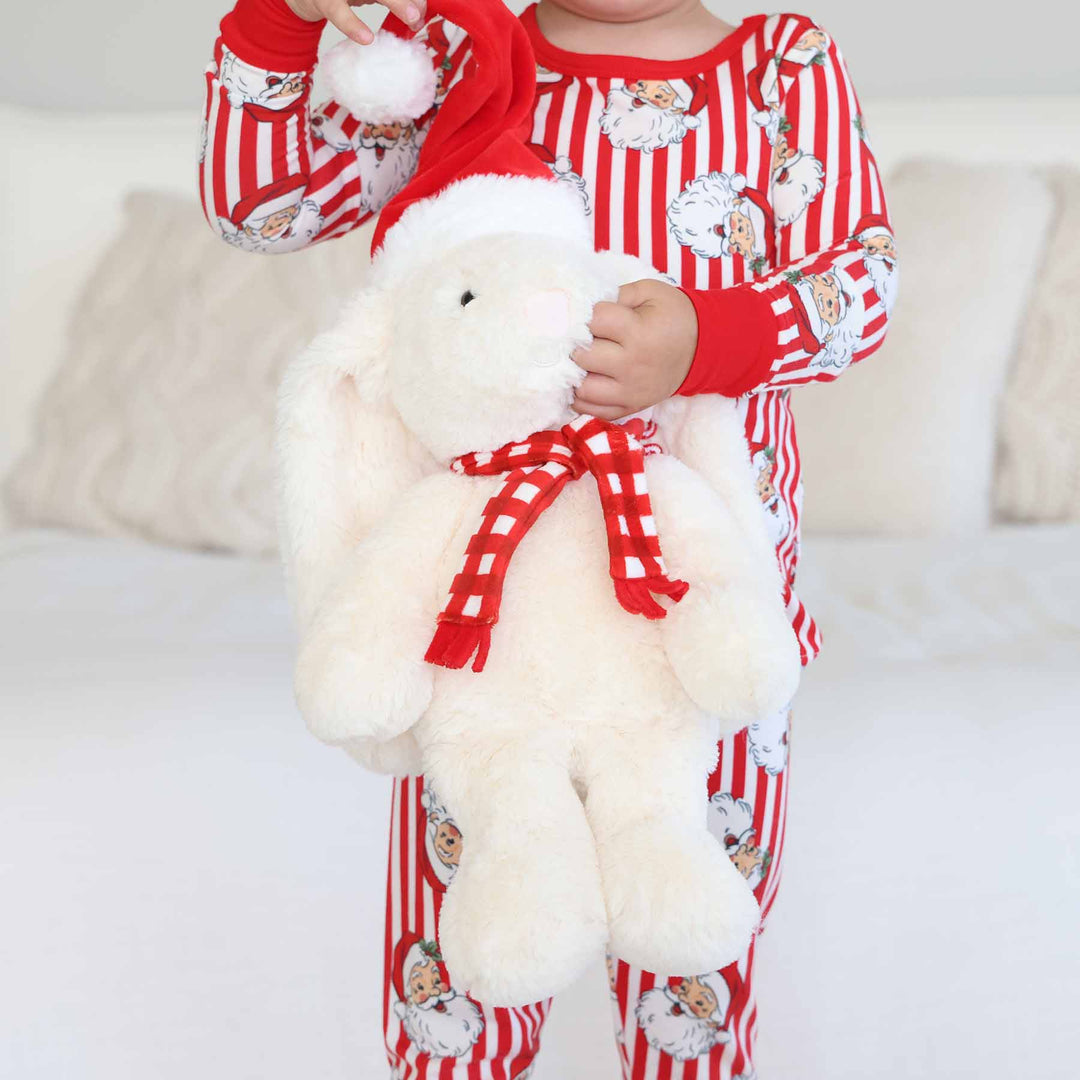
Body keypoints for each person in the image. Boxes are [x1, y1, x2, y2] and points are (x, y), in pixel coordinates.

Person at [199, 1, 897, 1075]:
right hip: (481, 625)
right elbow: (264, 206)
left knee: (691, 941)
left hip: (696, 614)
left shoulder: (779, 62)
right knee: (473, 950)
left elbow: (860, 282)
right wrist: (288, 22)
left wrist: (710, 339)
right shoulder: (457, 60)